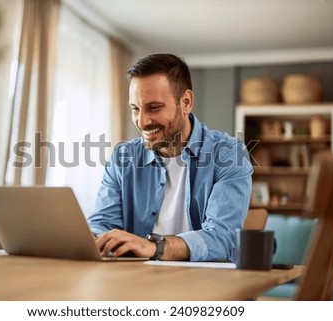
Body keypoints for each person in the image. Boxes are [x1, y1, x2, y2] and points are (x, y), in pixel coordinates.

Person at [87, 53, 253, 262]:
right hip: (140, 282)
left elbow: (222, 238)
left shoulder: (229, 154)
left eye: (154, 108)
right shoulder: (123, 157)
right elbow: (102, 223)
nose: (142, 121)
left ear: (186, 102)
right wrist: (92, 238)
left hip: (208, 284)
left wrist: (154, 247)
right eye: (135, 109)